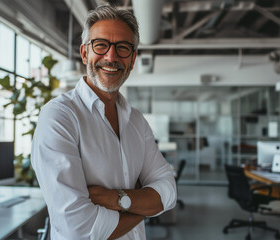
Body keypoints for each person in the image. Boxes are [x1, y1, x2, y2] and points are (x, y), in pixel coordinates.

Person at [31, 4, 176, 240]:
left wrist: (116, 199)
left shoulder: (136, 120)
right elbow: (78, 229)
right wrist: (144, 203)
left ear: (132, 59)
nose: (111, 56)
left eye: (122, 48)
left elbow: (168, 191)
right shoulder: (59, 116)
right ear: (85, 52)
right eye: (101, 45)